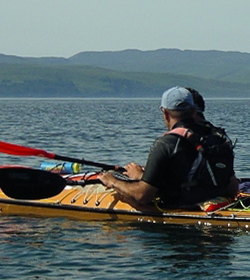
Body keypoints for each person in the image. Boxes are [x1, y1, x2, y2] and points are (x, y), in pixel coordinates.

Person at [98, 86, 238, 208]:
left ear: (165, 113)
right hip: (215, 205)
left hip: (181, 208)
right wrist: (144, 176)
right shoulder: (218, 137)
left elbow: (143, 195)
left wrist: (113, 181)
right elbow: (232, 188)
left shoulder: (166, 143)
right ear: (193, 110)